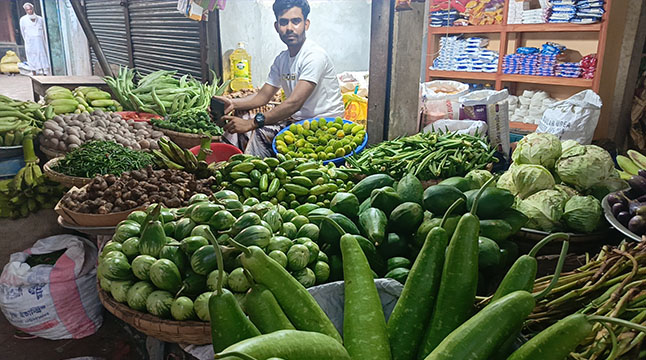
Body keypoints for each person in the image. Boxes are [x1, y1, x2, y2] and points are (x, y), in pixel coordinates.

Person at [215, 0, 344, 158]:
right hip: (297, 123)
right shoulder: (282, 60)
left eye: (296, 21)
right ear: (277, 27)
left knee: (260, 131)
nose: (290, 28)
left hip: (324, 125)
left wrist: (251, 124)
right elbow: (263, 96)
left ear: (306, 24)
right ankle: (228, 164)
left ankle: (255, 173)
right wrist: (233, 103)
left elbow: (293, 104)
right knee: (240, 118)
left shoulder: (314, 56)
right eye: (284, 22)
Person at [19, 3, 51, 76]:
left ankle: (45, 71)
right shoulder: (23, 20)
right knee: (32, 56)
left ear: (33, 9)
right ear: (25, 11)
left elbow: (44, 31)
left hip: (40, 41)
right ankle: (34, 71)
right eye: (27, 10)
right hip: (30, 42)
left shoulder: (40, 19)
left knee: (42, 55)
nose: (29, 11)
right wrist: (27, 40)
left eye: (30, 9)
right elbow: (23, 31)